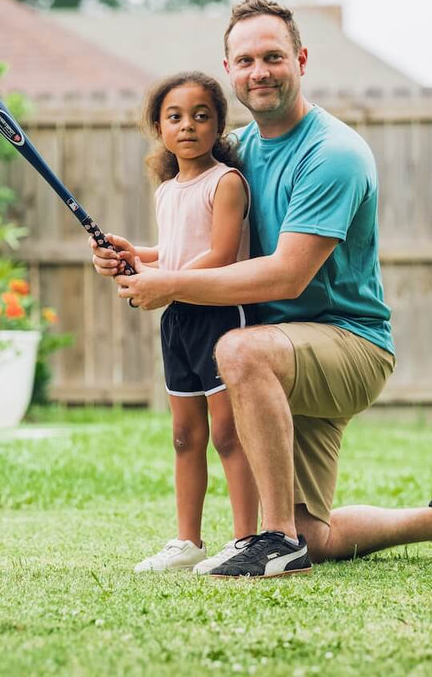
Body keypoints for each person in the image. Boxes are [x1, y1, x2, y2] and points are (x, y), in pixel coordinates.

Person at [93, 0, 432, 579]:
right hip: (280, 356)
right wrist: (139, 256)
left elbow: (286, 274)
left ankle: (273, 540)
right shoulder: (236, 151)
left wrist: (168, 284)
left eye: (272, 56)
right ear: (229, 71)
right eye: (245, 60)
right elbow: (198, 238)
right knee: (315, 535)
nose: (260, 71)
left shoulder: (333, 153)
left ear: (300, 58)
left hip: (346, 343)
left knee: (238, 350)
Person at [124, 71, 262, 574]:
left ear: (219, 125)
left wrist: (162, 280)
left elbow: (221, 255)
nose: (188, 126)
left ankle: (247, 539)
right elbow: (175, 251)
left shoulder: (225, 183)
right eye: (174, 117)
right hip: (178, 319)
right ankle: (188, 542)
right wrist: (136, 255)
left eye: (201, 116)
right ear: (158, 128)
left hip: (220, 316)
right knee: (186, 436)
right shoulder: (167, 190)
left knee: (228, 434)